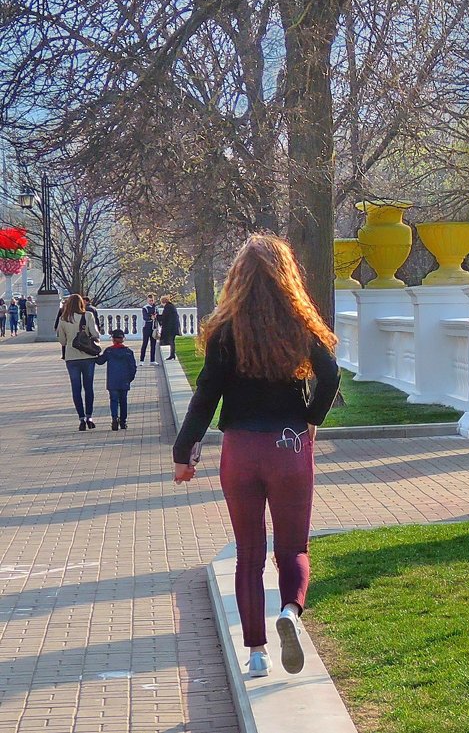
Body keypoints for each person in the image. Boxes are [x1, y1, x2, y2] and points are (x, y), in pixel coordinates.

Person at [172, 235, 340, 679]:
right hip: (289, 444)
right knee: (293, 547)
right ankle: (289, 610)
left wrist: (184, 452)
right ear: (287, 277)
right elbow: (330, 374)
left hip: (241, 449)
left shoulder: (226, 331)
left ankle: (258, 653)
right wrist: (311, 417)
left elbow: (206, 395)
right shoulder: (298, 324)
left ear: (238, 280)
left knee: (249, 553)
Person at [56, 293, 101, 431]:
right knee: (89, 387)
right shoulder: (88, 316)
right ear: (82, 303)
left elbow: (62, 341)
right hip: (87, 356)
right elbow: (96, 334)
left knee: (76, 388)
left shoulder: (63, 319)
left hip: (71, 357)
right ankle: (89, 416)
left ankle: (81, 418)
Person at [96, 329, 137, 430]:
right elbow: (133, 368)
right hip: (124, 380)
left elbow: (100, 361)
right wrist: (129, 379)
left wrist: (94, 352)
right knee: (123, 401)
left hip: (112, 381)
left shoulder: (109, 351)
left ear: (113, 339)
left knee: (113, 400)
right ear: (123, 339)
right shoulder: (128, 352)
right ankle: (123, 422)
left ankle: (114, 418)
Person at [159, 295, 181, 360]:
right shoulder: (171, 306)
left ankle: (172, 355)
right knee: (172, 341)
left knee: (171, 341)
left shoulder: (167, 307)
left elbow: (164, 317)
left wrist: (157, 316)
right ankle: (172, 354)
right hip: (173, 327)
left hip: (171, 328)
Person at [140, 293, 158, 364]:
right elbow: (145, 317)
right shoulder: (145, 308)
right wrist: (151, 317)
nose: (151, 302)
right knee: (145, 343)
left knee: (153, 344)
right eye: (150, 300)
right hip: (146, 328)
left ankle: (152, 360)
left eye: (152, 300)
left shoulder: (156, 308)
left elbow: (158, 316)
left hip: (154, 328)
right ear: (147, 300)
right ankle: (141, 360)